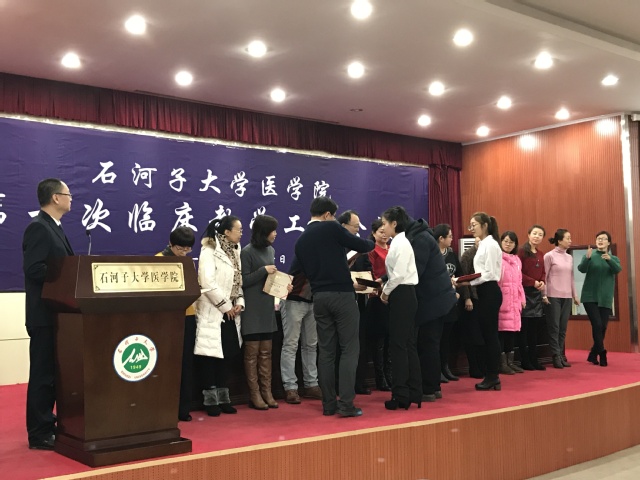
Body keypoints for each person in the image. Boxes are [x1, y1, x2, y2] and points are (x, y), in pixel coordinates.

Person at [293, 197, 374, 417]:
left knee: (326, 351)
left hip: (319, 298)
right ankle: (346, 404)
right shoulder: (331, 227)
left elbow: (298, 271)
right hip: (342, 295)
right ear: (327, 215)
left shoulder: (300, 241)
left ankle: (328, 404)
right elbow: (361, 245)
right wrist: (372, 241)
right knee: (349, 349)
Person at [23, 178, 74, 450]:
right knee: (43, 375)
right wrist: (67, 276)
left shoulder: (54, 226)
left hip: (58, 315)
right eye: (68, 194)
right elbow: (34, 269)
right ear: (55, 198)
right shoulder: (39, 227)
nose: (71, 198)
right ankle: (39, 433)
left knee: (53, 374)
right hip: (43, 316)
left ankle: (48, 422)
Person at [404, 212, 457, 402]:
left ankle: (429, 388)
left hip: (432, 301)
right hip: (437, 300)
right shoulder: (423, 236)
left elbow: (414, 271)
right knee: (431, 344)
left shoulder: (420, 240)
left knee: (428, 344)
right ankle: (433, 387)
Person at [195, 216, 244, 416]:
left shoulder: (235, 250)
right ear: (227, 232)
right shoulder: (209, 251)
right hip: (213, 310)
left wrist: (239, 302)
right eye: (239, 230)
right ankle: (210, 400)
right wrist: (225, 306)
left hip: (230, 312)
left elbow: (238, 281)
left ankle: (224, 397)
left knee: (227, 356)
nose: (241, 233)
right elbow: (207, 282)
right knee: (210, 357)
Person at [241, 215, 291, 410]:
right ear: (263, 232)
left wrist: (283, 285)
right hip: (252, 308)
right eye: (272, 230)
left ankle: (267, 392)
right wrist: (263, 270)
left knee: (266, 353)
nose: (275, 234)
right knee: (252, 353)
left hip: (267, 306)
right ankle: (254, 394)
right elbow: (243, 280)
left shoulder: (271, 250)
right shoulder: (247, 252)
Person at [379, 207, 421, 410]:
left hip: (402, 294)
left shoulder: (401, 243)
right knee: (407, 344)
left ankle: (401, 394)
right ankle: (413, 391)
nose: (382, 227)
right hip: (405, 294)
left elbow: (398, 275)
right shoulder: (399, 242)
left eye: (384, 223)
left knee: (399, 345)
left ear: (394, 223)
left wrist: (385, 292)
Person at [457, 212, 503, 391]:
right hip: (484, 291)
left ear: (485, 226)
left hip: (489, 290)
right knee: (486, 334)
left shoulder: (490, 245)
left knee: (490, 335)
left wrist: (467, 282)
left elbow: (489, 274)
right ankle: (491, 375)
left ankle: (493, 376)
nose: (471, 228)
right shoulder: (484, 244)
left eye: (474, 224)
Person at [156, 226, 197, 422]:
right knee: (166, 363)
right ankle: (164, 407)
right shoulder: (158, 260)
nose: (184, 253)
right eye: (180, 248)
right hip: (166, 318)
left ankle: (183, 408)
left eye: (187, 249)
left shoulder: (188, 262)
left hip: (187, 315)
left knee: (186, 363)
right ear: (171, 244)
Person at [338, 209, 372, 395]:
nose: (358, 230)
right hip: (339, 301)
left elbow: (367, 271)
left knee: (359, 343)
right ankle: (341, 386)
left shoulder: (359, 249)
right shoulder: (336, 247)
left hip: (359, 302)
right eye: (355, 226)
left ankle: (359, 382)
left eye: (359, 226)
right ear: (343, 226)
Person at [578, 231, 622, 367]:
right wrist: (587, 258)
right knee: (597, 324)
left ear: (608, 242)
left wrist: (609, 259)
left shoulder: (614, 258)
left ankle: (593, 353)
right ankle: (602, 352)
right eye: (598, 238)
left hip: (605, 298)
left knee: (602, 327)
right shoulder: (590, 255)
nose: (600, 240)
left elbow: (617, 270)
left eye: (603, 239)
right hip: (589, 296)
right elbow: (581, 269)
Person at [280, 263, 322, 404]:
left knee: (311, 345)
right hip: (293, 299)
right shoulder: (303, 252)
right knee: (291, 345)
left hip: (314, 300)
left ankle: (311, 384)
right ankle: (290, 387)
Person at [544, 229, 580, 369]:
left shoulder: (569, 257)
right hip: (553, 295)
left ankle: (561, 354)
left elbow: (571, 277)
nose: (570, 241)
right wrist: (544, 294)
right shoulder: (549, 256)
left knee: (563, 328)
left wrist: (575, 295)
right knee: (554, 327)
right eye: (568, 238)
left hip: (567, 296)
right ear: (559, 240)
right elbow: (544, 276)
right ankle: (555, 355)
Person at [433, 223, 462, 383]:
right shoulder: (432, 255)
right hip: (437, 303)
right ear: (441, 238)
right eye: (449, 236)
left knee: (447, 338)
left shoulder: (452, 254)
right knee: (436, 338)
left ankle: (445, 367)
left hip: (451, 302)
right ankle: (436, 369)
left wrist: (457, 285)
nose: (452, 239)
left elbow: (460, 274)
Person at [517, 225, 548, 371]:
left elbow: (543, 272)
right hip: (524, 292)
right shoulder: (521, 252)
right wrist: (532, 282)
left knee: (534, 330)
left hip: (536, 293)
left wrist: (542, 281)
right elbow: (518, 272)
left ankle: (534, 359)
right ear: (529, 234)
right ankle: (525, 360)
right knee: (524, 329)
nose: (537, 236)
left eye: (540, 234)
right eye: (534, 233)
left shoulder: (541, 253)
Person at [367, 219, 392, 392]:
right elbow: (372, 275)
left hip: (392, 297)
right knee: (379, 340)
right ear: (374, 233)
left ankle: (390, 375)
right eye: (380, 232)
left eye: (385, 231)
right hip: (377, 297)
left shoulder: (392, 249)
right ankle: (380, 377)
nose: (384, 235)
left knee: (391, 339)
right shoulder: (371, 251)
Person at [497, 231, 526, 375]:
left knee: (511, 333)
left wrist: (522, 299)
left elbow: (519, 282)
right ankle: (502, 364)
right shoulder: (498, 259)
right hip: (503, 300)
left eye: (511, 242)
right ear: (501, 242)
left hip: (515, 301)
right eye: (505, 241)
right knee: (502, 332)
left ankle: (510, 362)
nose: (508, 244)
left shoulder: (517, 260)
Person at [459, 237, 486, 379]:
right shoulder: (468, 255)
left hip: (483, 298)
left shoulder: (487, 255)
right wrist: (467, 297)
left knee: (481, 335)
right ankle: (473, 367)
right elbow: (463, 277)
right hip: (471, 299)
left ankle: (482, 366)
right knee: (472, 335)